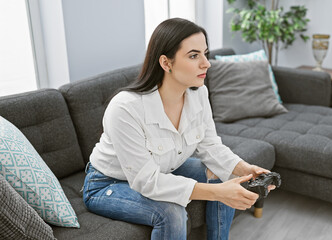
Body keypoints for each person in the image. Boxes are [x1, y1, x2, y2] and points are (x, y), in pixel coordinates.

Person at [82, 18, 275, 240]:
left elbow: (210, 146)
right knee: (172, 212)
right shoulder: (125, 108)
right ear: (166, 63)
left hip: (162, 169)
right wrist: (217, 193)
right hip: (108, 184)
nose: (206, 63)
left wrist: (246, 169)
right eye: (194, 56)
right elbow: (146, 181)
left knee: (223, 174)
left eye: (205, 53)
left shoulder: (198, 94)